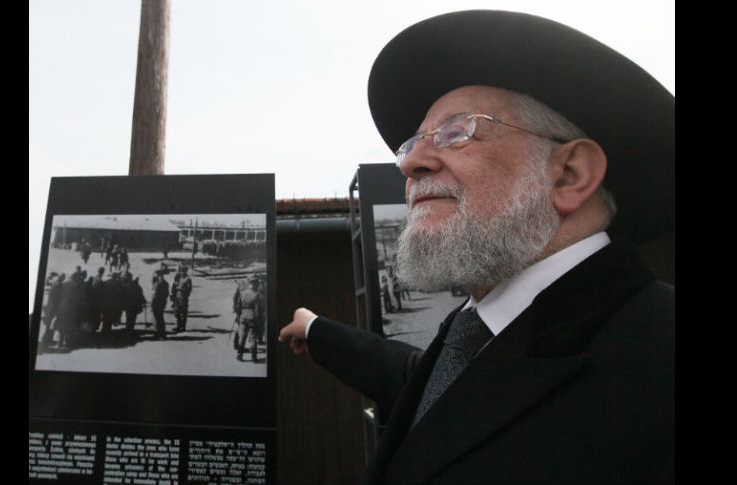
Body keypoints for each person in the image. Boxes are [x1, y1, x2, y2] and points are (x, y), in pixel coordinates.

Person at [278, 10, 674, 485]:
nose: (411, 165)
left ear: (569, 174)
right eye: (412, 143)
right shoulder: (477, 329)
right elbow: (434, 390)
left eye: (456, 132)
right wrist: (318, 330)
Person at [236, 276, 263, 362]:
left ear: (249, 283)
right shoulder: (257, 295)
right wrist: (258, 320)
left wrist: (239, 315)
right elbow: (258, 310)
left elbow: (238, 306)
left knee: (242, 336)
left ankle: (239, 355)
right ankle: (254, 357)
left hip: (243, 316)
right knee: (253, 338)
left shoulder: (242, 292)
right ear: (255, 284)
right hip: (252, 317)